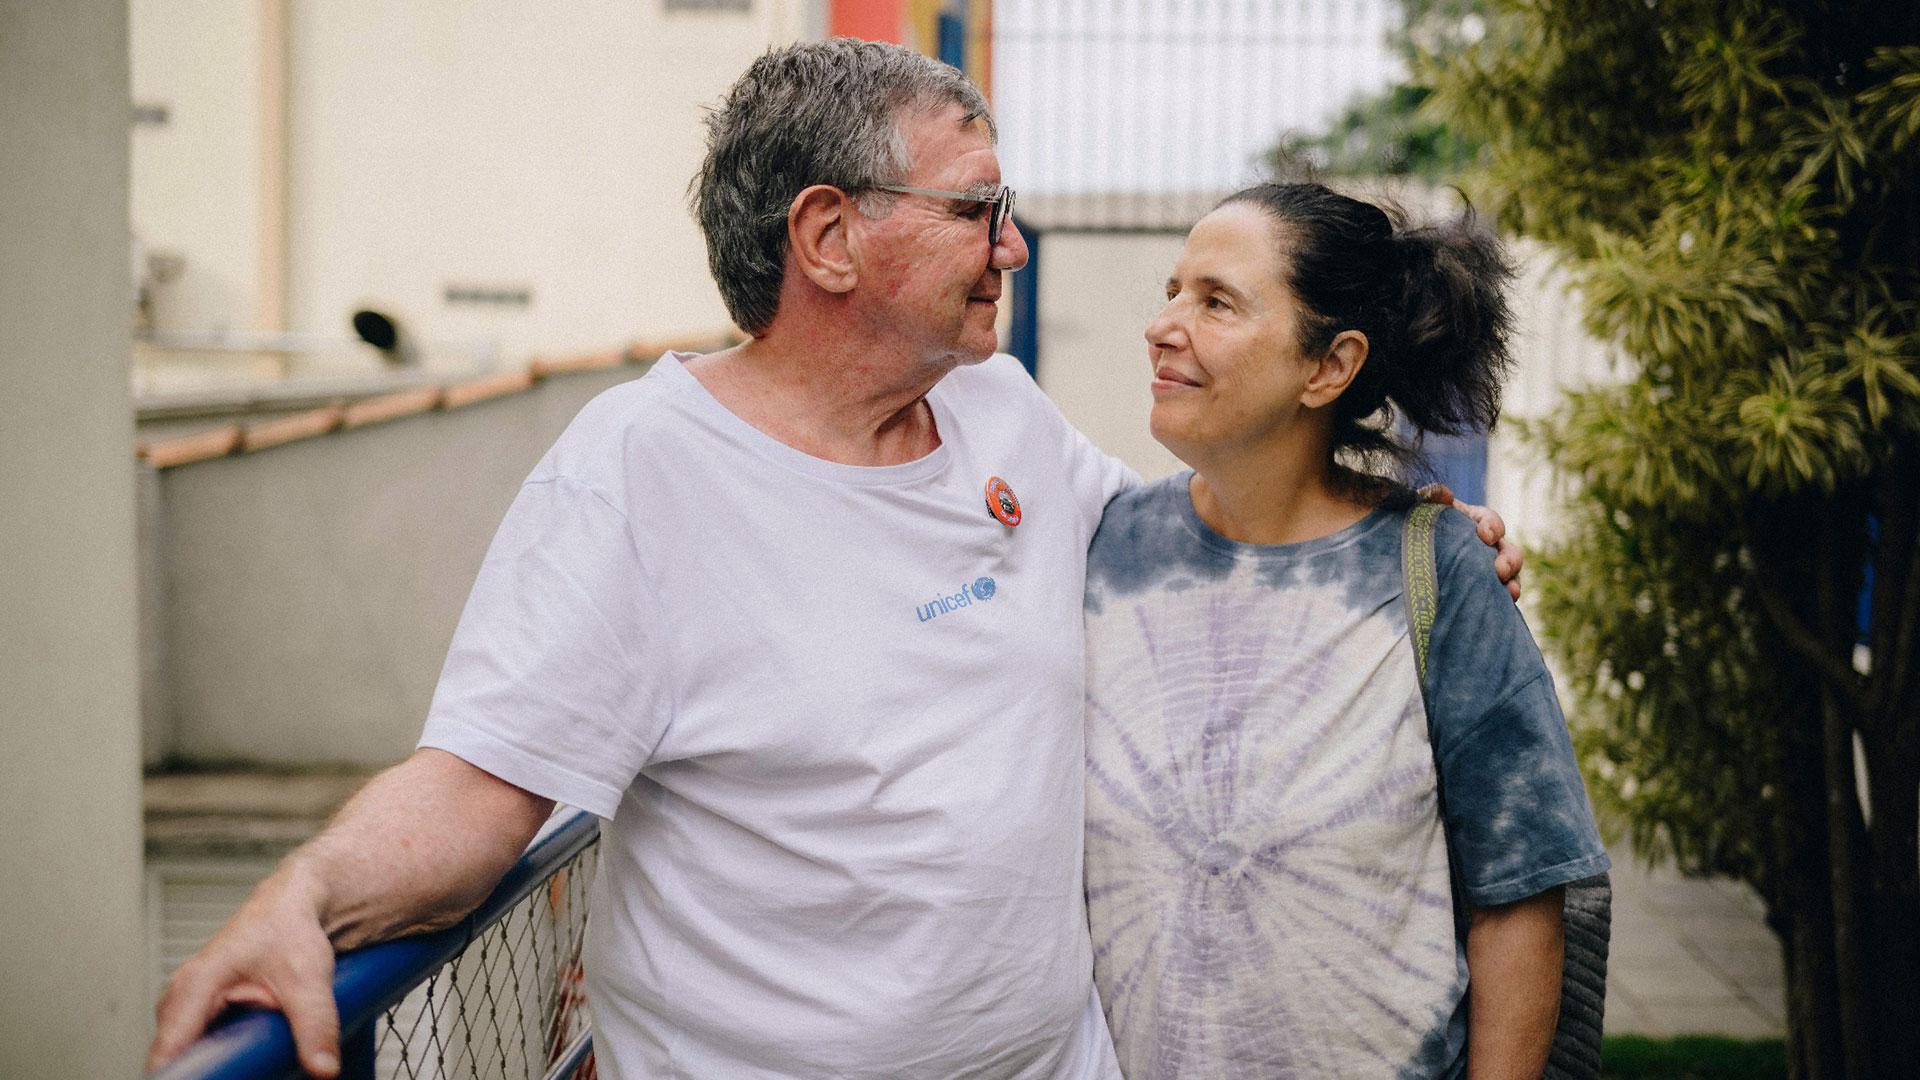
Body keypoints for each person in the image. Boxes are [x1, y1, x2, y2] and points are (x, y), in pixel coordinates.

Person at [148, 43, 1518, 1080]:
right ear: (829, 237)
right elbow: (478, 791)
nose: (1015, 247)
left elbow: (1201, 538)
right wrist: (306, 895)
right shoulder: (636, 472)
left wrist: (1388, 532)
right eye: (980, 210)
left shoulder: (1003, 413)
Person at [1080, 183, 1607, 1080]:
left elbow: (1520, 894)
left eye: (1216, 302)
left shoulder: (1435, 575)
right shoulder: (1103, 547)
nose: (1164, 325)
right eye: (1173, 291)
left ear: (1328, 367)